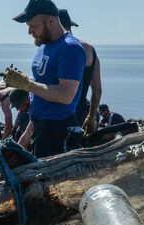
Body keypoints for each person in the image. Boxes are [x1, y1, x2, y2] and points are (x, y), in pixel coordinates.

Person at [3, 0, 86, 158]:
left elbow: (65, 95)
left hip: (58, 131)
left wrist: (27, 84)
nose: (29, 31)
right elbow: (43, 84)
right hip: (41, 126)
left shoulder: (69, 48)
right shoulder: (44, 46)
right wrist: (17, 82)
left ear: (51, 20)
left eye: (33, 26)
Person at [58, 9, 101, 138]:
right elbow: (97, 90)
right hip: (83, 111)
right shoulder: (90, 49)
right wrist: (91, 116)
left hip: (61, 115)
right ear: (70, 25)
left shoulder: (59, 49)